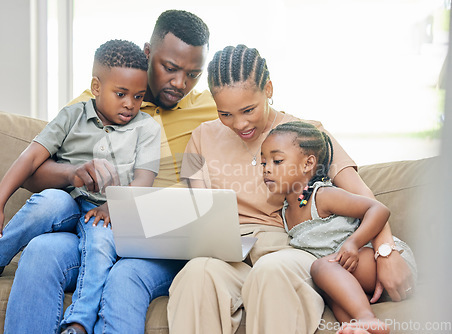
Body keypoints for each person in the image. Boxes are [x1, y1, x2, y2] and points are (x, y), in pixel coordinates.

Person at [168, 44, 416, 334]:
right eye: (226, 114)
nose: (240, 124)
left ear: (268, 89)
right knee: (196, 275)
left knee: (272, 271)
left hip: (290, 248)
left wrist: (386, 252)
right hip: (230, 250)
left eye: (248, 110)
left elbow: (362, 195)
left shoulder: (305, 134)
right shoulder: (201, 137)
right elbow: (200, 210)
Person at [2, 10, 213, 334]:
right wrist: (74, 173)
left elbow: (271, 121)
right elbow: (32, 175)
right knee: (41, 251)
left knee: (123, 277)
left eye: (193, 74)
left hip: (160, 244)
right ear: (147, 53)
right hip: (97, 229)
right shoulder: (97, 102)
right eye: (170, 68)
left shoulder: (212, 108)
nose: (180, 83)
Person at [0, 39, 161, 334]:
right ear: (97, 87)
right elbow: (29, 158)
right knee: (50, 200)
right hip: (66, 205)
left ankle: (78, 322)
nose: (130, 104)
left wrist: (116, 204)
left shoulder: (147, 128)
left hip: (103, 213)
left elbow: (144, 179)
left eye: (138, 96)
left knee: (101, 245)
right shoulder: (71, 116)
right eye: (121, 94)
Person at [261, 121, 417, 334]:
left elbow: (378, 209)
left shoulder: (322, 195)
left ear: (308, 164)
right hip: (350, 276)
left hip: (383, 261)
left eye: (277, 161)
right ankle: (355, 328)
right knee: (326, 284)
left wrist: (353, 243)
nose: (267, 169)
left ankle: (366, 318)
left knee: (322, 267)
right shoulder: (286, 211)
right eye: (263, 163)